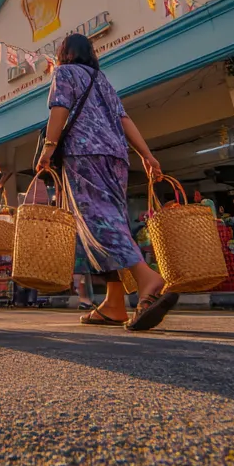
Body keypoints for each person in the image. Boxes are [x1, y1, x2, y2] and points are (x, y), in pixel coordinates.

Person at [36, 33, 175, 331]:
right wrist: (147, 155)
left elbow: (59, 108)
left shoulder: (64, 72)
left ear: (64, 53)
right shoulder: (102, 80)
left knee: (98, 222)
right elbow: (124, 119)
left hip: (84, 154)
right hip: (117, 156)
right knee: (110, 221)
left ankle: (147, 279)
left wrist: (49, 148)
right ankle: (113, 304)